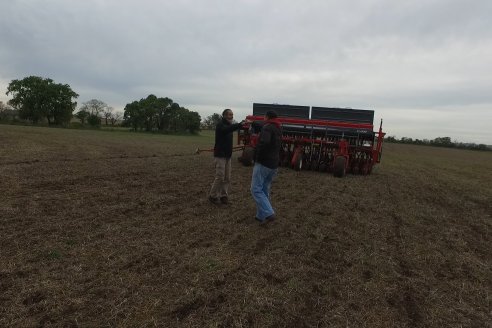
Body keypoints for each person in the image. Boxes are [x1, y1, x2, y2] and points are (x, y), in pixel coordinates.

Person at [208, 108, 246, 205]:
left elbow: (231, 128)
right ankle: (213, 196)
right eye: (229, 115)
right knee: (220, 177)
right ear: (224, 116)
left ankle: (224, 196)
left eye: (232, 115)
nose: (231, 116)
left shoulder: (230, 126)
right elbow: (226, 129)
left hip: (228, 156)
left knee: (227, 178)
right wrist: (240, 124)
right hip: (220, 155)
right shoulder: (221, 125)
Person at [250, 110, 282, 224]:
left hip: (264, 163)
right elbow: (261, 125)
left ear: (267, 117)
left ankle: (269, 212)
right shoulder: (278, 128)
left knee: (255, 189)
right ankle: (261, 216)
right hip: (274, 164)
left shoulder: (267, 128)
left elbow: (264, 143)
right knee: (264, 189)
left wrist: (256, 157)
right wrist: (252, 123)